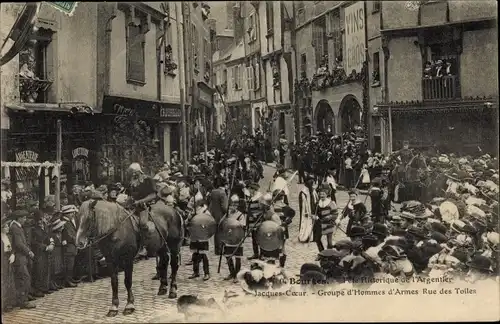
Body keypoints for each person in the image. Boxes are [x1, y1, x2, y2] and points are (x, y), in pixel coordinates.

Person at [9, 209, 36, 309]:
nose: (25, 219)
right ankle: (23, 301)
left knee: (22, 278)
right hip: (19, 257)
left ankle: (21, 299)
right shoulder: (15, 228)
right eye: (23, 218)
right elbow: (19, 244)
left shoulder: (17, 227)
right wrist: (28, 252)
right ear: (19, 218)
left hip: (21, 257)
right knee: (24, 278)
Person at [222, 195, 246, 282]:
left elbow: (242, 227)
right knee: (228, 256)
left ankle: (236, 274)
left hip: (237, 238)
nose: (233, 207)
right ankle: (232, 273)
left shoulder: (240, 215)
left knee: (237, 257)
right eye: (231, 205)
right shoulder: (227, 214)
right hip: (228, 238)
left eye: (235, 205)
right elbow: (223, 224)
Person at [188, 200, 212, 281]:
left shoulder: (206, 212)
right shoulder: (192, 211)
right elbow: (187, 222)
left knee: (203, 254)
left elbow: (211, 223)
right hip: (194, 235)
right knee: (195, 254)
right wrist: (190, 217)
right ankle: (196, 272)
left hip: (202, 235)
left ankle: (207, 273)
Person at [313, 184, 339, 252]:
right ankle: (322, 253)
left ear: (327, 194)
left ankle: (329, 254)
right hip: (319, 223)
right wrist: (315, 216)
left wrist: (330, 216)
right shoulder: (317, 203)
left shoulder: (331, 203)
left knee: (329, 242)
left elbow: (335, 213)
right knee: (317, 239)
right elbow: (315, 213)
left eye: (323, 194)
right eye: (320, 194)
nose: (321, 196)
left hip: (328, 223)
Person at [209, 176, 228, 256]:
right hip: (221, 216)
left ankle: (217, 250)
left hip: (214, 215)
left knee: (216, 233)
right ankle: (221, 249)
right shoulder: (222, 193)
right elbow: (224, 207)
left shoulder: (213, 192)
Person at [60, 205, 79, 287]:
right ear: (66, 214)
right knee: (68, 264)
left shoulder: (69, 222)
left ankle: (70, 278)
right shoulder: (64, 223)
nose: (72, 214)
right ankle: (67, 281)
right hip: (68, 246)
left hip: (72, 246)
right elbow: (68, 235)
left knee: (71, 264)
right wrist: (76, 241)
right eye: (70, 213)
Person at [2, 213, 17, 312]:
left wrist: (12, 254)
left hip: (8, 260)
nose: (8, 228)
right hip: (2, 261)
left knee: (9, 280)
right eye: (6, 226)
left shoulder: (8, 237)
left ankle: (9, 302)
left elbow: (12, 247)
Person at [246, 182, 263, 260]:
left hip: (258, 222)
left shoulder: (259, 198)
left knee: (259, 238)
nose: (248, 191)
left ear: (253, 190)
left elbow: (263, 210)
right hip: (252, 222)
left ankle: (262, 254)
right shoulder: (251, 197)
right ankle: (256, 253)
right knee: (254, 239)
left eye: (249, 189)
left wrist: (256, 215)